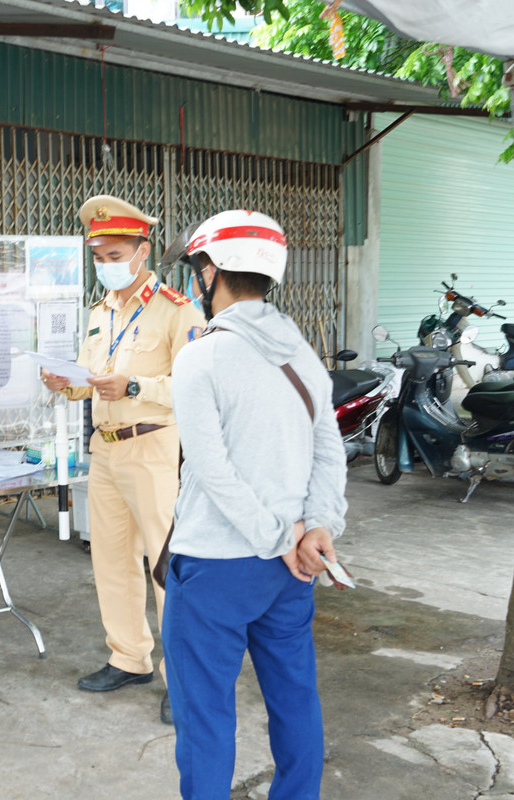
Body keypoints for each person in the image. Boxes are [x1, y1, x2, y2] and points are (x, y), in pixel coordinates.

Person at [161, 210, 347, 799]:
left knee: (206, 717)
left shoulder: (200, 357)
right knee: (295, 699)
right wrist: (315, 528)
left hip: (216, 565)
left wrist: (278, 536)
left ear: (210, 272)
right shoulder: (306, 357)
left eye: (197, 271)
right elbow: (329, 453)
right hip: (290, 570)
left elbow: (211, 471)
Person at [40, 195, 205, 710]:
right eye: (99, 257)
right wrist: (66, 383)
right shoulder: (98, 313)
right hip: (105, 450)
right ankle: (128, 657)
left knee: (167, 565)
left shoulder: (179, 312)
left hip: (154, 446)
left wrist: (133, 388)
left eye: (115, 256)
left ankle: (185, 680)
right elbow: (95, 379)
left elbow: (196, 386)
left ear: (143, 252)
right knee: (112, 560)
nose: (105, 267)